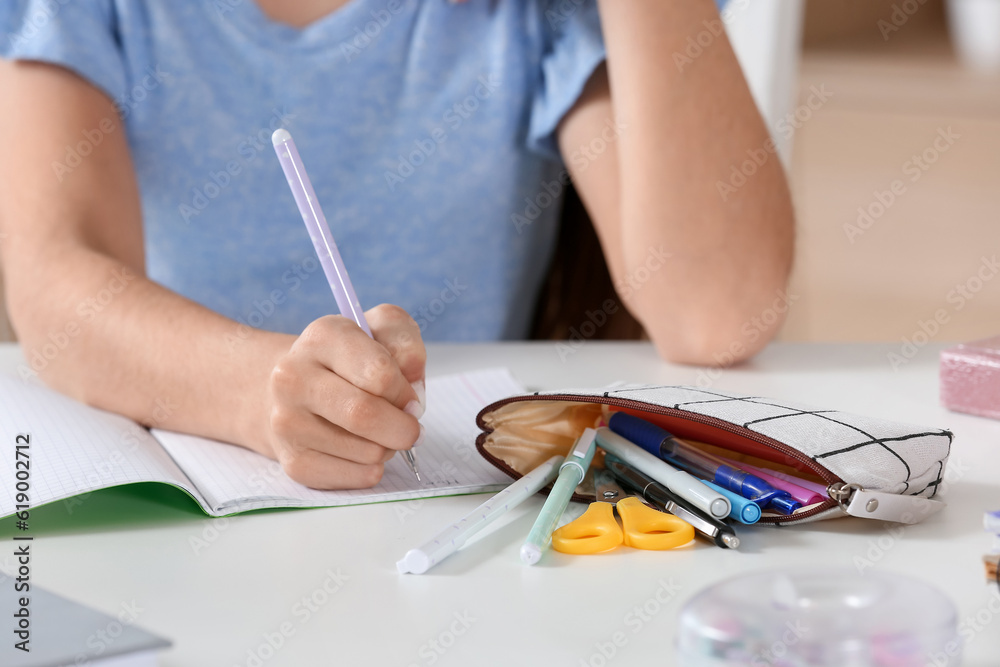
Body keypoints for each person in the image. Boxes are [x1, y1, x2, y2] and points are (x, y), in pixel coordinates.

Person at [0, 0, 794, 490]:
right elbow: (55, 283)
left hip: (449, 520)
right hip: (196, 511)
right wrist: (264, 393)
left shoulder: (534, 13)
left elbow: (714, 311)